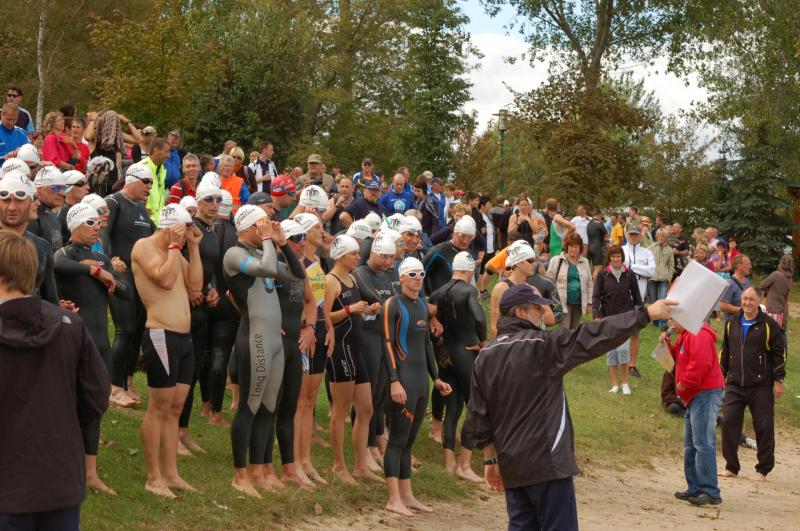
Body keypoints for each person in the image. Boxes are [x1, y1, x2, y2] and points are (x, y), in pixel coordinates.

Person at [464, 284, 674, 529]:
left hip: (513, 466)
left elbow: (478, 416)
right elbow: (595, 334)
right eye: (537, 308)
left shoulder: (485, 356)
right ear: (520, 312)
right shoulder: (542, 346)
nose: (543, 313)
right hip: (547, 463)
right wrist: (645, 314)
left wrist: (490, 461)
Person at [0, 232, 109, 530]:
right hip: (57, 476)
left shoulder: (70, 326)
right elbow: (96, 396)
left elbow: (96, 396)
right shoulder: (71, 326)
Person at [223, 206, 305, 496]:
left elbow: (297, 274)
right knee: (250, 405)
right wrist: (270, 240)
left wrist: (283, 243)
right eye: (263, 223)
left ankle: (259, 470)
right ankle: (240, 474)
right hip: (254, 337)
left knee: (268, 408)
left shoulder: (264, 252)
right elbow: (268, 269)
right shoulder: (234, 254)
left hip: (274, 341)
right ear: (249, 227)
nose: (269, 226)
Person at [54, 203, 132, 495]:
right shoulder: (66, 254)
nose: (97, 226)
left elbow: (126, 292)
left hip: (100, 342)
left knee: (96, 405)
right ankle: (64, 465)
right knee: (69, 404)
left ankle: (90, 473)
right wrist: (95, 272)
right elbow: (55, 265)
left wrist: (103, 271)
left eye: (98, 222)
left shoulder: (100, 256)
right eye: (90, 222)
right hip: (74, 340)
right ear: (74, 225)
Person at [131, 204, 203, 498]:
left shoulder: (178, 251)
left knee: (175, 408)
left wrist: (193, 249)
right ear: (171, 228)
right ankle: (153, 477)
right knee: (159, 408)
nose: (186, 237)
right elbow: (165, 279)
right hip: (160, 334)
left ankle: (171, 474)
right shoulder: (143, 247)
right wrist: (175, 246)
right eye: (184, 232)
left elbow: (195, 286)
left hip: (184, 339)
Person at [382, 257, 452, 516]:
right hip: (402, 382)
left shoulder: (422, 305)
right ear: (401, 277)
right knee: (397, 440)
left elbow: (426, 346)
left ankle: (407, 495)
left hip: (421, 382)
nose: (418, 279)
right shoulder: (393, 305)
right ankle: (393, 499)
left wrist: (436, 378)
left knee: (409, 442)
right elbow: (387, 344)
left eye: (421, 274)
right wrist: (394, 381)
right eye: (412, 274)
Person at [323, 234, 382, 484]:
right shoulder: (331, 281)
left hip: (357, 350)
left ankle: (360, 466)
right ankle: (338, 466)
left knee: (366, 408)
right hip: (340, 349)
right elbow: (324, 316)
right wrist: (350, 309)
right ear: (340, 256)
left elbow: (356, 311)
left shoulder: (352, 278)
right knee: (341, 410)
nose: (359, 257)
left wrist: (367, 310)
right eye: (353, 253)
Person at [267, 219, 318, 490]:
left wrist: (310, 328)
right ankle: (264, 469)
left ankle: (289, 469)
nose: (302, 242)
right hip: (273, 344)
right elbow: (236, 295)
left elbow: (310, 301)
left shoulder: (299, 269)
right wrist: (266, 322)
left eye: (302, 237)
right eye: (295, 238)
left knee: (289, 408)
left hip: (294, 346)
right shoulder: (269, 264)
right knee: (269, 409)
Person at [719, 286, 787, 482]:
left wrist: (778, 380)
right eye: (745, 298)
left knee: (764, 426)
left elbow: (779, 353)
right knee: (728, 422)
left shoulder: (769, 325)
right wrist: (720, 376)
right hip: (734, 383)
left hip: (761, 385)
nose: (747, 303)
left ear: (759, 302)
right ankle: (731, 467)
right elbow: (726, 351)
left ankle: (762, 470)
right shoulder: (732, 322)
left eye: (751, 299)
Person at [429, 252, 486, 483]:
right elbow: (479, 319)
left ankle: (449, 463)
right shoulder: (469, 291)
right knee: (474, 407)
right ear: (470, 271)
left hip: (444, 355)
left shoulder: (437, 293)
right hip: (465, 353)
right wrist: (482, 341)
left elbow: (432, 327)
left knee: (451, 409)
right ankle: (465, 465)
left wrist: (437, 340)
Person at [104, 164, 156, 408]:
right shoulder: (114, 202)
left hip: (140, 278)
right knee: (124, 330)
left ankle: (127, 381)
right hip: (120, 275)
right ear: (132, 179)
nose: (150, 187)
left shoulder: (142, 210)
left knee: (136, 332)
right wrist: (109, 262)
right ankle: (113, 387)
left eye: (152, 183)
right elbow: (103, 234)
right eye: (146, 182)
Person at [177, 183, 223, 454]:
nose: (214, 204)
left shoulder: (212, 233)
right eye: (209, 199)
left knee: (193, 371)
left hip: (202, 306)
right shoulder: (189, 229)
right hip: (184, 305)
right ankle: (172, 433)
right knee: (181, 373)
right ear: (198, 201)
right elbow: (176, 261)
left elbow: (210, 270)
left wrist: (212, 288)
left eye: (218, 199)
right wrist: (190, 289)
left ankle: (183, 431)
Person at [660, 318, 725, 506]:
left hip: (705, 393)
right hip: (695, 395)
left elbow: (700, 364)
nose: (671, 324)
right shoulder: (686, 335)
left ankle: (709, 490)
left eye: (673, 320)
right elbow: (679, 358)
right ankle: (695, 487)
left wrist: (684, 383)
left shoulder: (699, 334)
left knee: (703, 442)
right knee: (691, 444)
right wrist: (667, 345)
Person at [293, 212, 334, 486]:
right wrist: (304, 329)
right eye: (317, 227)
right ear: (305, 233)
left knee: (310, 400)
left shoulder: (317, 261)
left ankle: (306, 460)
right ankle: (295, 461)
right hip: (303, 332)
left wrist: (329, 327)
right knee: (299, 400)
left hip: (318, 329)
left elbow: (319, 302)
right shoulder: (297, 262)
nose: (322, 231)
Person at [352, 233, 400, 467]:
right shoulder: (361, 273)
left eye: (392, 258)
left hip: (383, 338)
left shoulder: (386, 276)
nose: (389, 262)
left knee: (380, 396)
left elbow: (390, 306)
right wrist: (390, 310)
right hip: (367, 338)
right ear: (373, 253)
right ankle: (364, 449)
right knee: (366, 397)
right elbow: (380, 302)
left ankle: (374, 444)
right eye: (384, 257)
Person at [0, 171, 60, 304]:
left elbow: (50, 298)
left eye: (19, 200)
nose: (12, 207)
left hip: (28, 315)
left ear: (32, 203)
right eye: (6, 200)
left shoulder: (41, 247)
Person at [592, 245, 643, 395]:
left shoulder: (629, 274)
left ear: (622, 258)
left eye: (618, 256)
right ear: (609, 258)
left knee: (622, 350)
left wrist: (639, 315)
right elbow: (596, 296)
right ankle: (615, 385)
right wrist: (596, 315)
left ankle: (625, 383)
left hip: (626, 318)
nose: (615, 259)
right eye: (613, 256)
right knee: (611, 353)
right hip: (608, 318)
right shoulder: (602, 274)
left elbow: (637, 296)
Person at [621, 223, 654, 378]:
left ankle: (632, 365)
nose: (633, 237)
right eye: (631, 234)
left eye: (636, 234)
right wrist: (641, 270)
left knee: (635, 331)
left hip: (639, 296)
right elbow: (619, 267)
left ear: (640, 236)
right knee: (620, 330)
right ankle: (617, 362)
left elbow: (652, 271)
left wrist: (632, 267)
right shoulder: (621, 250)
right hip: (621, 295)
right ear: (626, 235)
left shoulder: (647, 253)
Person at [84, 110, 143, 196]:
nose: (112, 124)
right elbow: (87, 136)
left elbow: (139, 139)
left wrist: (126, 121)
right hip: (97, 180)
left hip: (112, 179)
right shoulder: (96, 136)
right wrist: (93, 119)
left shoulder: (116, 135)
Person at [547, 232, 593, 329]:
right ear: (566, 247)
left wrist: (589, 302)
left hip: (578, 303)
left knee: (575, 330)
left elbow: (589, 283)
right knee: (565, 331)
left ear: (580, 248)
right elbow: (548, 282)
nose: (573, 249)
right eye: (571, 246)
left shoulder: (585, 262)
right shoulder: (556, 260)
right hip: (563, 303)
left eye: (576, 247)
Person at [28, 166, 66, 251]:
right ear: (39, 189)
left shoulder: (52, 216)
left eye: (63, 188)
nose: (62, 193)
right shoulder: (32, 217)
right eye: (56, 188)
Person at [760, 254, 794, 336]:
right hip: (781, 311)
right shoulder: (790, 279)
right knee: (778, 335)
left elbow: (762, 285)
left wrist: (768, 289)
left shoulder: (776, 274)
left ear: (781, 263)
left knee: (768, 334)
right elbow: (788, 296)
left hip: (771, 309)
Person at [56, 170, 91, 244]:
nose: (88, 187)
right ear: (67, 188)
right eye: (81, 184)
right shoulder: (61, 214)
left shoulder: (89, 209)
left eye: (87, 183)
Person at [648, 228, 675, 325]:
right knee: (654, 300)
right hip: (652, 277)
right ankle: (655, 320)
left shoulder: (669, 250)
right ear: (656, 236)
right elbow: (645, 260)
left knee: (663, 300)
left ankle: (663, 322)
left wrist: (669, 278)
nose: (660, 237)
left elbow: (671, 265)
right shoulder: (651, 247)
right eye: (659, 235)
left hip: (663, 278)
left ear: (666, 237)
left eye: (663, 236)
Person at [142, 138, 170, 224]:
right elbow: (129, 193)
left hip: (158, 222)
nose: (168, 155)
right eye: (166, 152)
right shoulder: (141, 167)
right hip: (145, 221)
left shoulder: (161, 169)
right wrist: (139, 209)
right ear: (156, 150)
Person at [719, 254, 752, 321]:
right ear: (739, 266)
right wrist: (743, 310)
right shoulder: (729, 283)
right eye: (748, 264)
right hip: (733, 323)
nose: (750, 266)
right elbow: (723, 306)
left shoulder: (748, 282)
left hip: (746, 322)